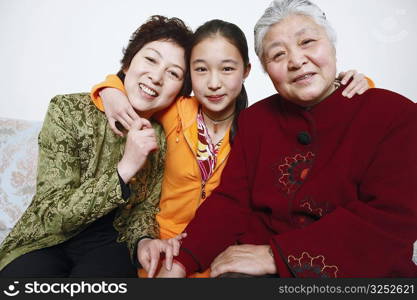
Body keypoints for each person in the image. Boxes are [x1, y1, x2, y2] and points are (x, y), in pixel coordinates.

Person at [91, 18, 373, 277]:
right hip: (161, 252)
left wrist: (356, 83)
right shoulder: (175, 111)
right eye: (201, 70)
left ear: (247, 70)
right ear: (189, 73)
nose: (214, 83)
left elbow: (320, 114)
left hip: (222, 255)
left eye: (227, 69)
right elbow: (139, 92)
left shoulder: (258, 125)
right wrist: (111, 89)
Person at [156, 0, 417, 278]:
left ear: (331, 44)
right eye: (278, 55)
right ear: (265, 70)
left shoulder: (396, 114)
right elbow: (231, 201)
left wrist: (276, 255)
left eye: (307, 42)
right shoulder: (255, 120)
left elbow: (392, 219)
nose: (296, 60)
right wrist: (182, 262)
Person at [0, 15, 193, 277]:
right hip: (46, 240)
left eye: (173, 73)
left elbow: (143, 212)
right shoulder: (67, 110)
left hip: (111, 245)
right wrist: (125, 168)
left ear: (181, 90)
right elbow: (52, 213)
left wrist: (143, 241)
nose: (157, 77)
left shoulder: (160, 135)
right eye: (150, 59)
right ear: (127, 63)